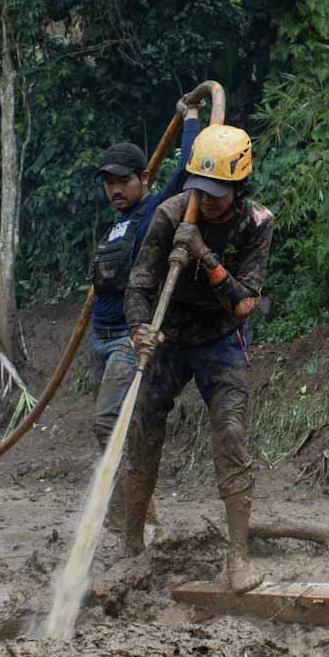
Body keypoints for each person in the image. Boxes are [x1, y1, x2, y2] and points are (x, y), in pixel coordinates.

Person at [104, 123, 272, 591]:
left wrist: (204, 255)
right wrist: (141, 328)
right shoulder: (169, 213)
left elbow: (242, 303)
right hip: (168, 336)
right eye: (202, 189)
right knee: (143, 432)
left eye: (219, 193)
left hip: (220, 339)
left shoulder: (256, 223)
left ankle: (239, 557)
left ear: (239, 188)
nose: (209, 199)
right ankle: (132, 549)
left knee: (232, 437)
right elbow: (139, 284)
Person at [86, 98, 197, 448]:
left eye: (123, 181)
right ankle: (137, 502)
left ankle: (124, 502)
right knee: (116, 432)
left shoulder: (156, 211)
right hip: (98, 339)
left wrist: (190, 117)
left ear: (144, 178)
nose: (115, 189)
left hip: (128, 337)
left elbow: (188, 168)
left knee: (108, 424)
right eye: (108, 183)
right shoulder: (114, 224)